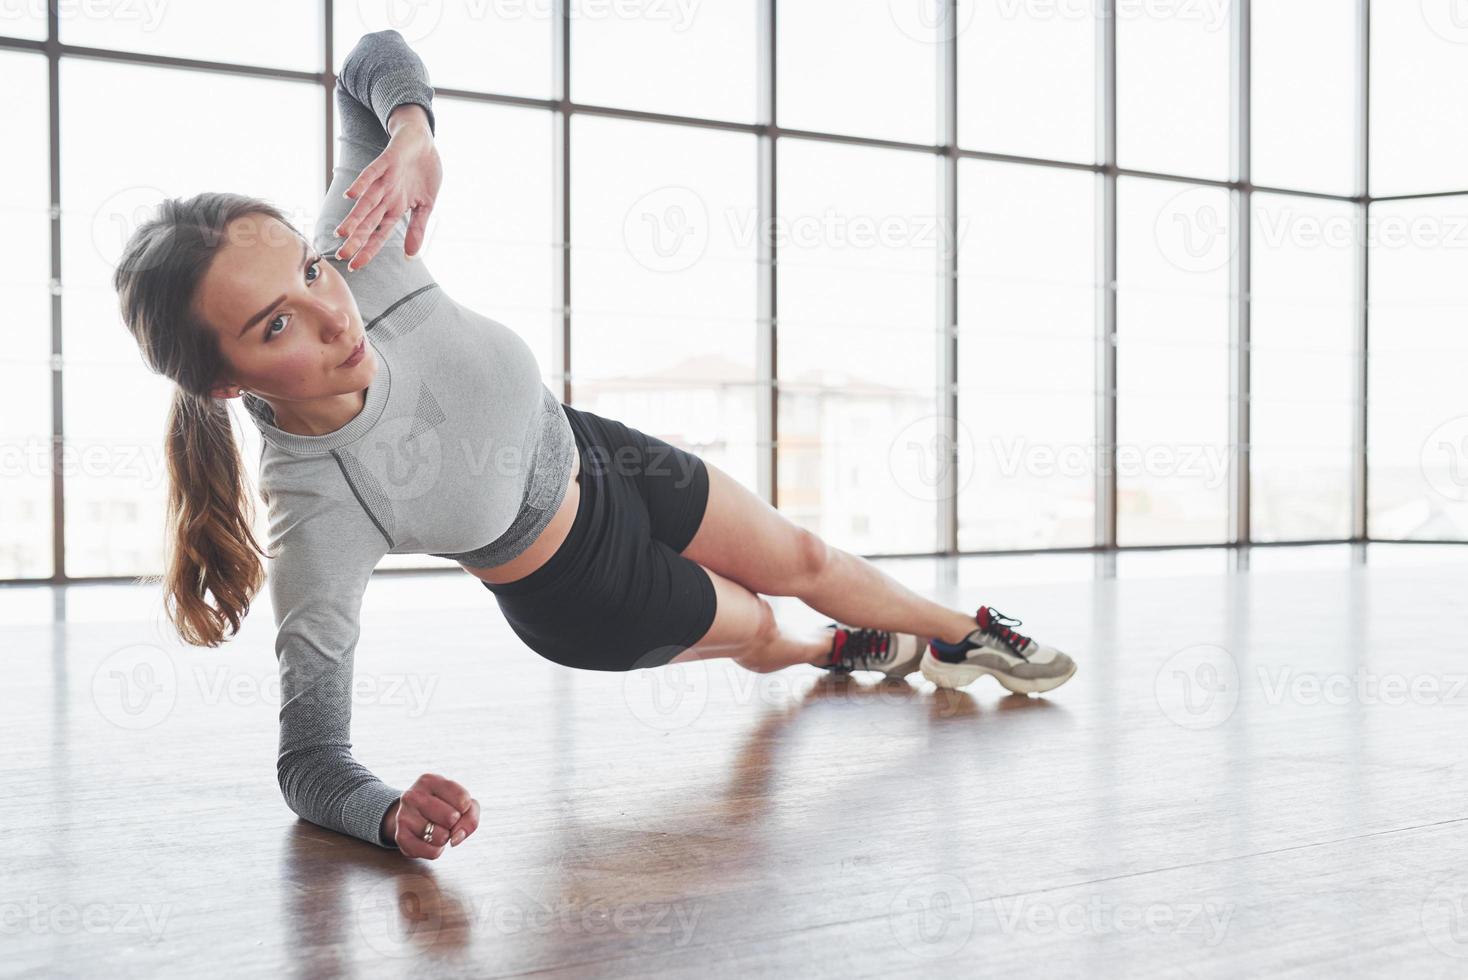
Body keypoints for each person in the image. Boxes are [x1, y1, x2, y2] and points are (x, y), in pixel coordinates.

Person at [113, 30, 1077, 861]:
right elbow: (310, 761)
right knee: (760, 626)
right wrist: (387, 815)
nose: (331, 314)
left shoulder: (359, 248)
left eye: (310, 271)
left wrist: (411, 131)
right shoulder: (318, 505)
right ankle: (828, 649)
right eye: (276, 325)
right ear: (226, 383)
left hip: (604, 453)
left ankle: (961, 636)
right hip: (585, 592)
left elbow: (369, 59)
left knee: (805, 554)